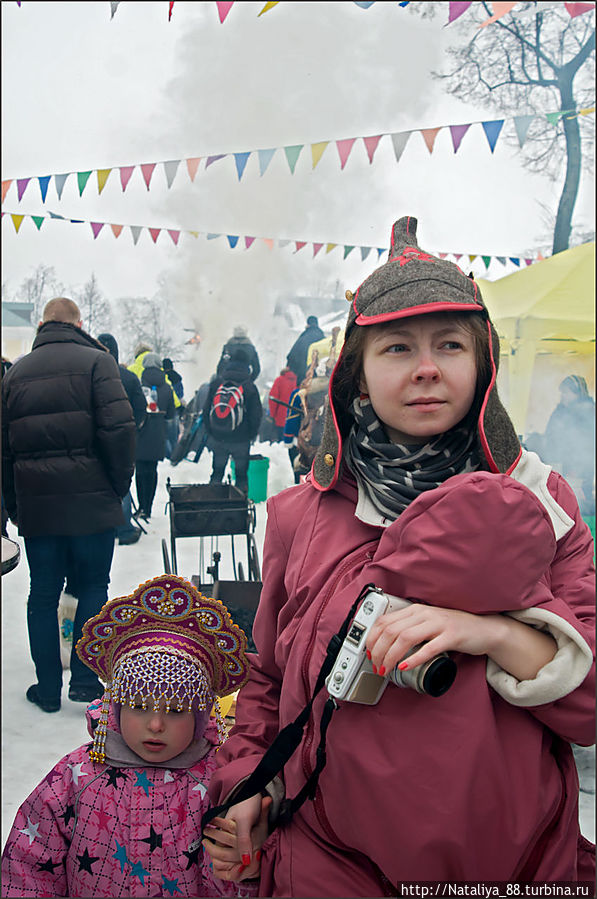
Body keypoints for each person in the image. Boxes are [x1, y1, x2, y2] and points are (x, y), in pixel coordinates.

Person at [203, 217, 595, 894]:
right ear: (355, 376)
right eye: (395, 348)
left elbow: (590, 702)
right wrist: (250, 784)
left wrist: (494, 632)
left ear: (482, 363)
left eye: (449, 345)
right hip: (328, 860)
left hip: (508, 865)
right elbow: (267, 679)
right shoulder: (303, 514)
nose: (425, 369)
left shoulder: (541, 499)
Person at [0, 574, 255, 898]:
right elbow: (29, 866)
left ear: (201, 713)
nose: (156, 725)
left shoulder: (214, 784)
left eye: (176, 710)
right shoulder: (76, 778)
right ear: (117, 708)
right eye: (138, 706)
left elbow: (230, 877)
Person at [1, 297, 136, 713]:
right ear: (79, 322)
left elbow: (4, 452)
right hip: (93, 506)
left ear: (42, 324)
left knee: (41, 595)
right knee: (94, 586)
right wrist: (117, 488)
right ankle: (82, 679)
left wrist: (14, 508)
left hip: (39, 510)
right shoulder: (98, 363)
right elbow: (120, 431)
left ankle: (46, 689)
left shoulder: (16, 373)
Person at [98, 332, 147, 545]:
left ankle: (103, 525)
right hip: (123, 439)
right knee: (123, 483)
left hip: (96, 440)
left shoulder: (89, 374)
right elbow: (141, 408)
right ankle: (124, 527)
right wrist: (133, 428)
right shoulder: (128, 377)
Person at [204, 352, 263, 495]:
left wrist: (211, 432)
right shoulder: (249, 386)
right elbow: (256, 415)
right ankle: (239, 509)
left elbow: (206, 410)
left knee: (217, 473)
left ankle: (211, 505)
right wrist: (250, 435)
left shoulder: (217, 383)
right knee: (241, 476)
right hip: (241, 440)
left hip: (219, 437)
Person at [542, 375, 595, 516]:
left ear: (577, 393)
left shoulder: (587, 411)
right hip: (561, 465)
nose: (563, 396)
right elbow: (551, 435)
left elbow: (587, 445)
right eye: (562, 392)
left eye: (566, 392)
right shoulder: (560, 411)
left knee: (580, 504)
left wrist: (577, 471)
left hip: (579, 470)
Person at [135, 353, 175, 520]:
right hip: (158, 432)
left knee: (140, 470)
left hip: (140, 431)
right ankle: (149, 508)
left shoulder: (139, 384)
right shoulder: (167, 387)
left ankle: (142, 506)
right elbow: (171, 414)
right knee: (152, 470)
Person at [285, 315, 324, 386]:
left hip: (302, 376)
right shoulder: (322, 337)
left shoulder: (303, 337)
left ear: (308, 324)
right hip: (317, 377)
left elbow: (292, 356)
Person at [268, 367, 297, 441]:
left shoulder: (279, 380)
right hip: (296, 418)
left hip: (281, 417)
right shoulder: (299, 381)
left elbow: (273, 399)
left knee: (281, 443)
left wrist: (273, 415)